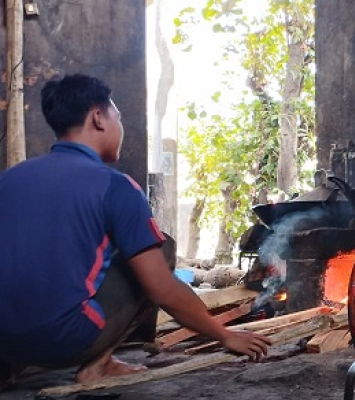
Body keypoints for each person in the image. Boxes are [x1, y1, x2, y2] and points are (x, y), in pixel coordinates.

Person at [0, 74, 271, 391]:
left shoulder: (9, 179)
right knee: (160, 249)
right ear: (98, 118)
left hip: (6, 344)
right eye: (118, 116)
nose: (120, 127)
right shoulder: (115, 187)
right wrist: (226, 335)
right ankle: (98, 366)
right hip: (64, 343)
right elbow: (162, 289)